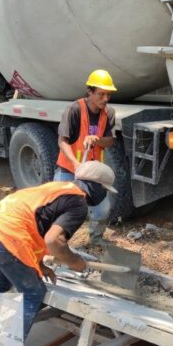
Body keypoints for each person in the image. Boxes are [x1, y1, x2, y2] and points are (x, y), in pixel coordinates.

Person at [0, 161, 117, 346]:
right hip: (7, 238)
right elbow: (54, 240)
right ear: (95, 186)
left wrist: (39, 264)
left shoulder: (57, 188)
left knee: (0, 282)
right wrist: (74, 261)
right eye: (104, 189)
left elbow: (36, 222)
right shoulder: (78, 203)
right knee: (34, 292)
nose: (104, 194)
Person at [54, 69, 117, 243]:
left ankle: (96, 240)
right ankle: (57, 244)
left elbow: (110, 141)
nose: (105, 99)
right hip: (69, 168)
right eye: (101, 94)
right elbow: (62, 141)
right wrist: (75, 164)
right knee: (61, 208)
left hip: (92, 172)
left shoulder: (109, 113)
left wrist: (97, 139)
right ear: (89, 92)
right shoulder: (74, 110)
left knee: (102, 208)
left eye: (108, 95)